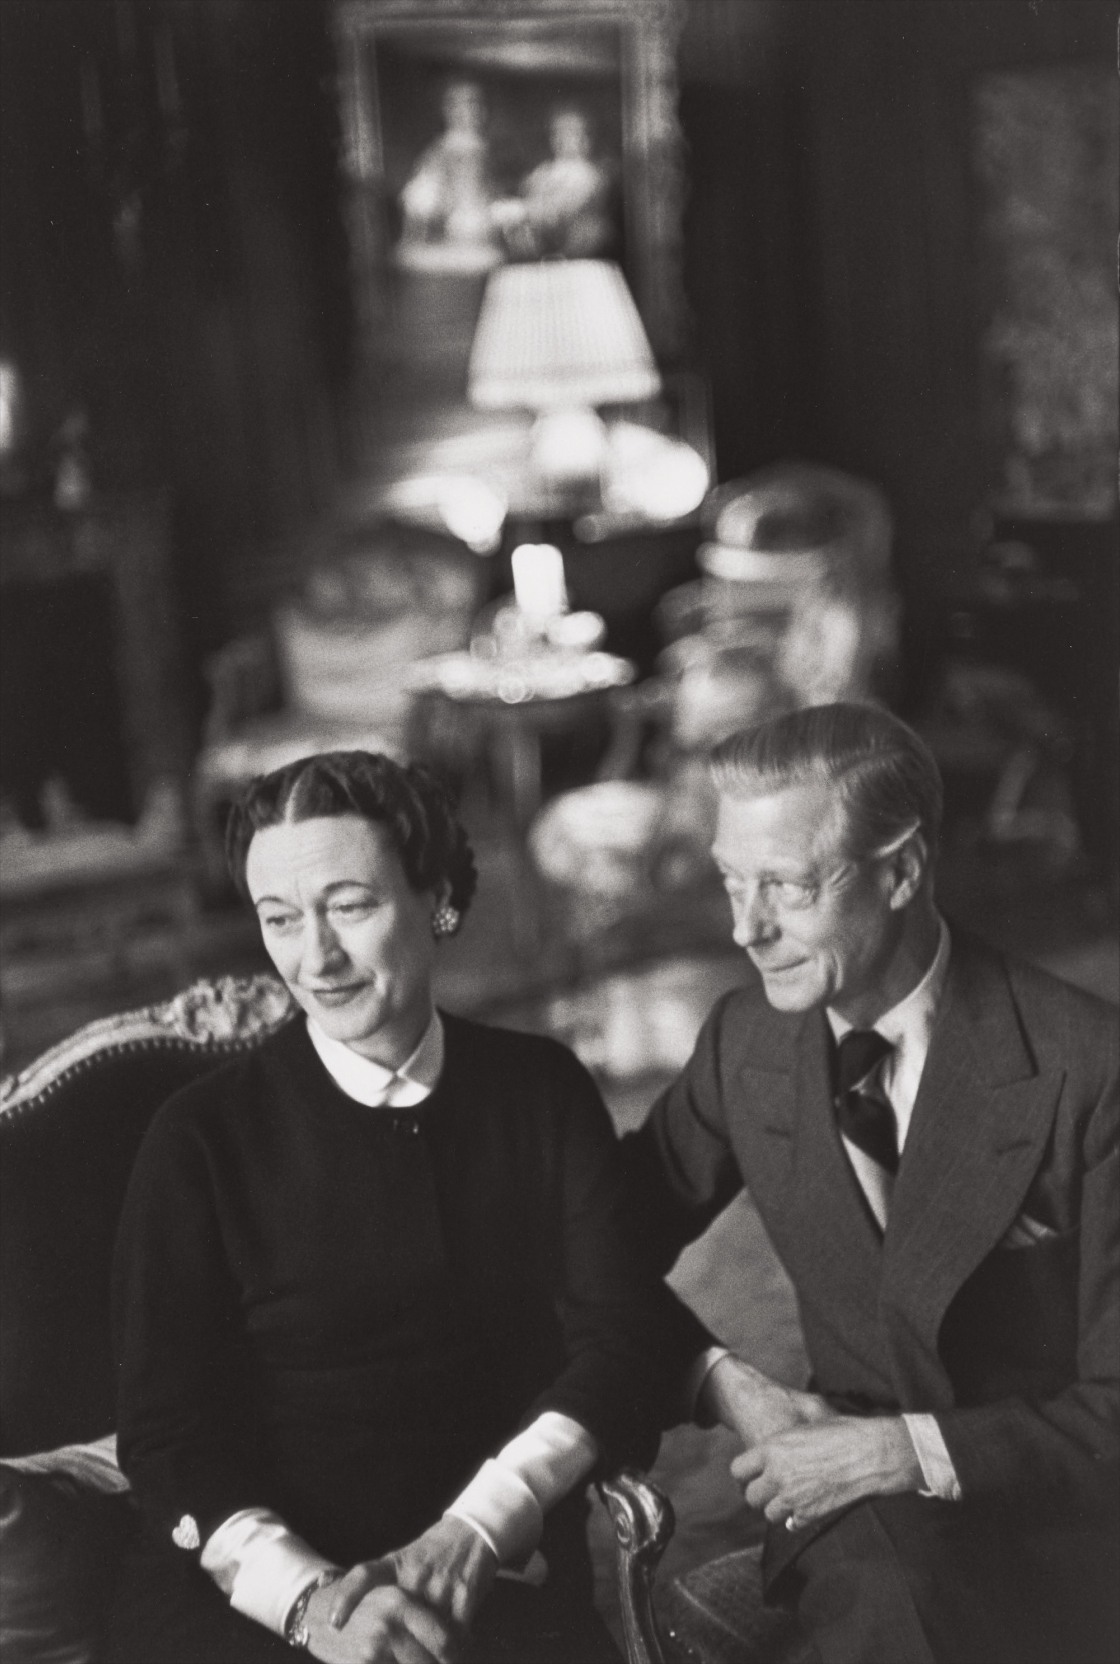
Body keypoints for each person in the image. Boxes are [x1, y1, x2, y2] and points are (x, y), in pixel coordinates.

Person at [103, 751, 666, 1664]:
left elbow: (622, 1341)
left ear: (436, 898)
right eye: (279, 919)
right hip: (249, 1613)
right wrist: (313, 1601)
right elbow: (168, 1437)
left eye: (349, 907)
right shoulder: (200, 1138)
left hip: (485, 1595)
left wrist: (481, 1528)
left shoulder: (541, 1090)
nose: (314, 958)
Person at [624, 702, 1118, 1664]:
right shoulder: (746, 1042)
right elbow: (597, 1241)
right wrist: (723, 1383)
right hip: (851, 1522)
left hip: (1059, 1523)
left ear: (901, 870)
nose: (745, 928)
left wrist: (904, 1451)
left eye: (787, 886)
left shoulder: (1088, 1069)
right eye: (733, 881)